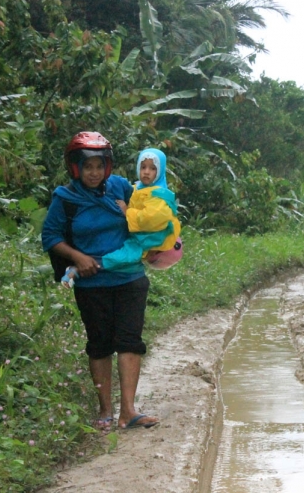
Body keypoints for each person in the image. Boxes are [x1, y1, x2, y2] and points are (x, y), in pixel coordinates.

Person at [41, 131, 158, 429]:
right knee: (100, 344)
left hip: (130, 278)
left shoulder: (120, 187)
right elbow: (51, 236)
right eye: (87, 166)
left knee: (130, 341)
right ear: (75, 168)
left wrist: (130, 211)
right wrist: (77, 257)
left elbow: (149, 216)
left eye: (99, 166)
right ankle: (105, 411)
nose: (93, 173)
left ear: (107, 166)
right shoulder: (65, 199)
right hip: (92, 284)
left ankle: (128, 411)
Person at [61, 147, 181, 287]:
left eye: (153, 168)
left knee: (118, 258)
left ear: (160, 172)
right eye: (143, 167)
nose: (146, 172)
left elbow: (149, 219)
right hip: (139, 237)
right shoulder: (139, 188)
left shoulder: (160, 195)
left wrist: (127, 211)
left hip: (146, 241)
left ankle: (78, 269)